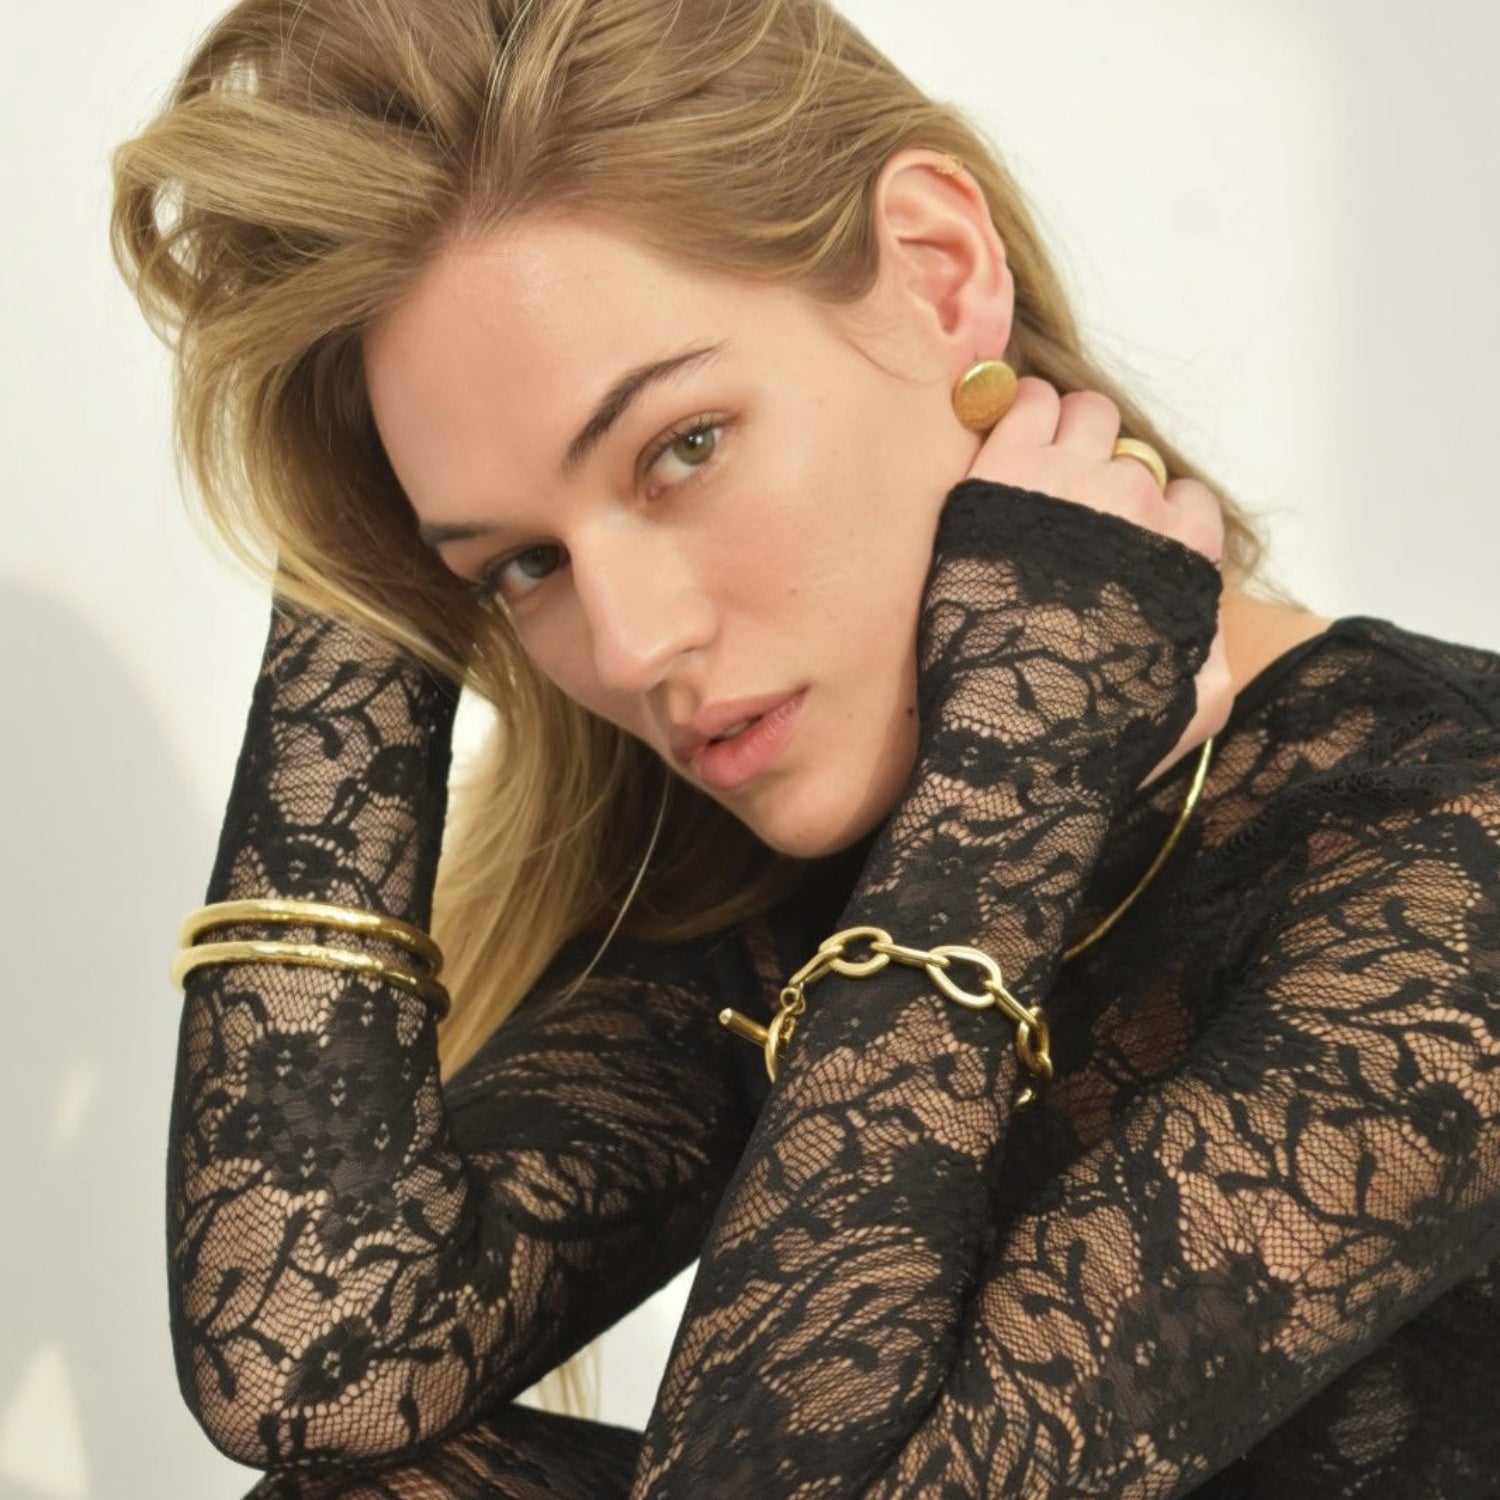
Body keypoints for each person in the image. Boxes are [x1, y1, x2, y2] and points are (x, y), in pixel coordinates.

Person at [110, 0, 1499, 1494]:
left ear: (939, 272)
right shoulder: (797, 868)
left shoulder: (1451, 840)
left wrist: (1011, 784)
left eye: (684, 446)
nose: (629, 648)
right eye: (523, 564)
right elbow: (312, 1361)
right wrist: (360, 547)